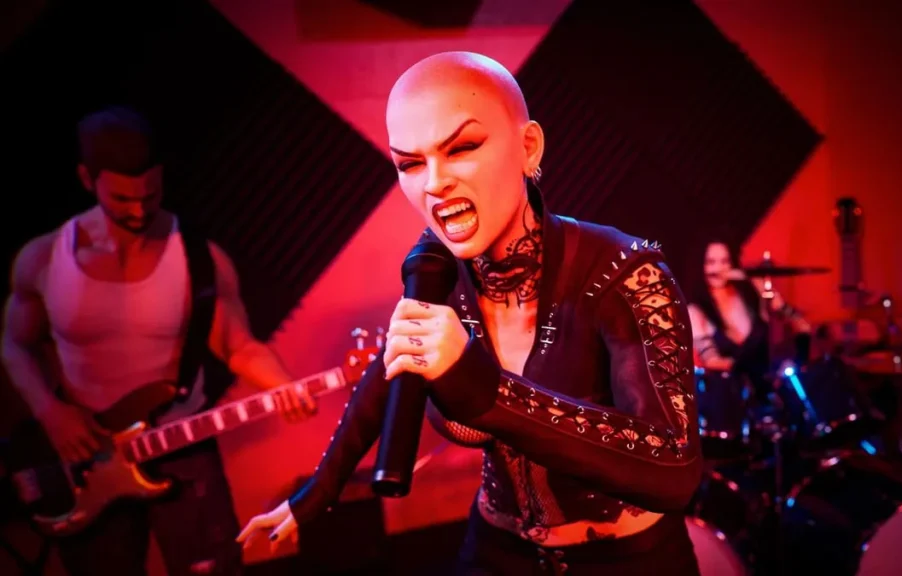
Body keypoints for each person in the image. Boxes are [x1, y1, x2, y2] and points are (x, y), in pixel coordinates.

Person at [237, 52, 704, 574]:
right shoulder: (437, 273)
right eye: (410, 164)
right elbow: (387, 378)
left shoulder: (625, 272)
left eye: (461, 148)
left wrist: (486, 391)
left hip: (624, 561)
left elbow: (674, 470)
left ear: (528, 147)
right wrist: (313, 497)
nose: (434, 183)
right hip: (497, 551)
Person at [1, 106, 317, 576]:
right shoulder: (45, 257)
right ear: (87, 179)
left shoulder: (199, 258)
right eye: (122, 198)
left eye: (150, 195)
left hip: (181, 446)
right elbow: (15, 345)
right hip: (85, 454)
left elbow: (239, 346)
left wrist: (283, 386)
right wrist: (50, 412)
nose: (138, 210)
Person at [687, 240, 811, 397]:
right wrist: (748, 368)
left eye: (725, 261)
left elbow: (803, 325)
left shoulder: (750, 297)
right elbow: (711, 361)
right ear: (701, 266)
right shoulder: (696, 311)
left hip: (770, 389)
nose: (718, 268)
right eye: (711, 262)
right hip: (731, 396)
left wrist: (779, 305)